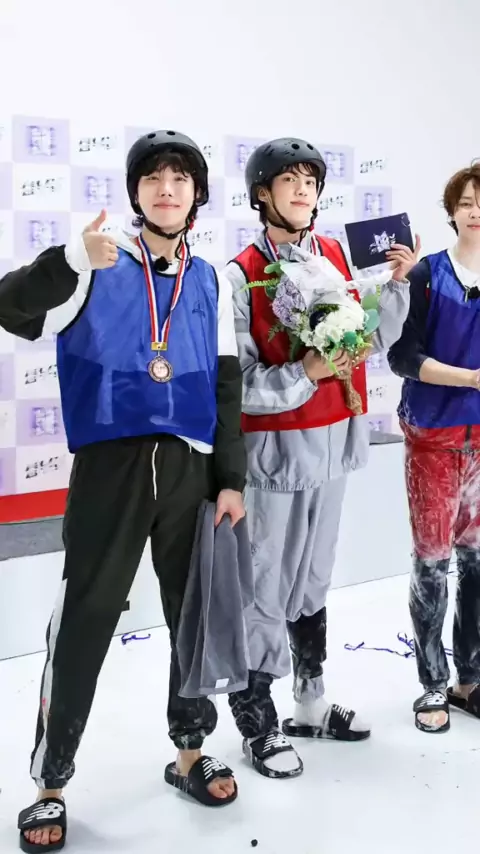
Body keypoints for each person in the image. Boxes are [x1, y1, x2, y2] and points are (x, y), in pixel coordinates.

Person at [0, 129, 246, 852]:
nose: (167, 189)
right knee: (85, 618)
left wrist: (230, 479)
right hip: (111, 468)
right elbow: (10, 307)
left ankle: (191, 750)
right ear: (136, 192)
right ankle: (50, 781)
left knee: (192, 615)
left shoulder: (211, 278)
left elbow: (225, 384)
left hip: (190, 470)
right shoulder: (96, 261)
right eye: (154, 178)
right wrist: (72, 259)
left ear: (197, 194)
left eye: (180, 178)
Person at [222, 137, 419, 779]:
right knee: (265, 583)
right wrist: (304, 371)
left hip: (336, 442)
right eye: (289, 180)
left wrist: (397, 286)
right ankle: (257, 720)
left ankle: (309, 701)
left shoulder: (335, 254)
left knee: (313, 576)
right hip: (277, 454)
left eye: (310, 180)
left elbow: (371, 341)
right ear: (262, 193)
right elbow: (235, 385)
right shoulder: (240, 273)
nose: (303, 190)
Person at [388, 163, 480, 734]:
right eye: (467, 202)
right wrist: (469, 379)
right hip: (434, 436)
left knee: (477, 562)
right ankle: (431, 683)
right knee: (432, 563)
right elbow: (403, 356)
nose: (476, 211)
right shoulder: (427, 274)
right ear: (452, 211)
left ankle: (470, 677)